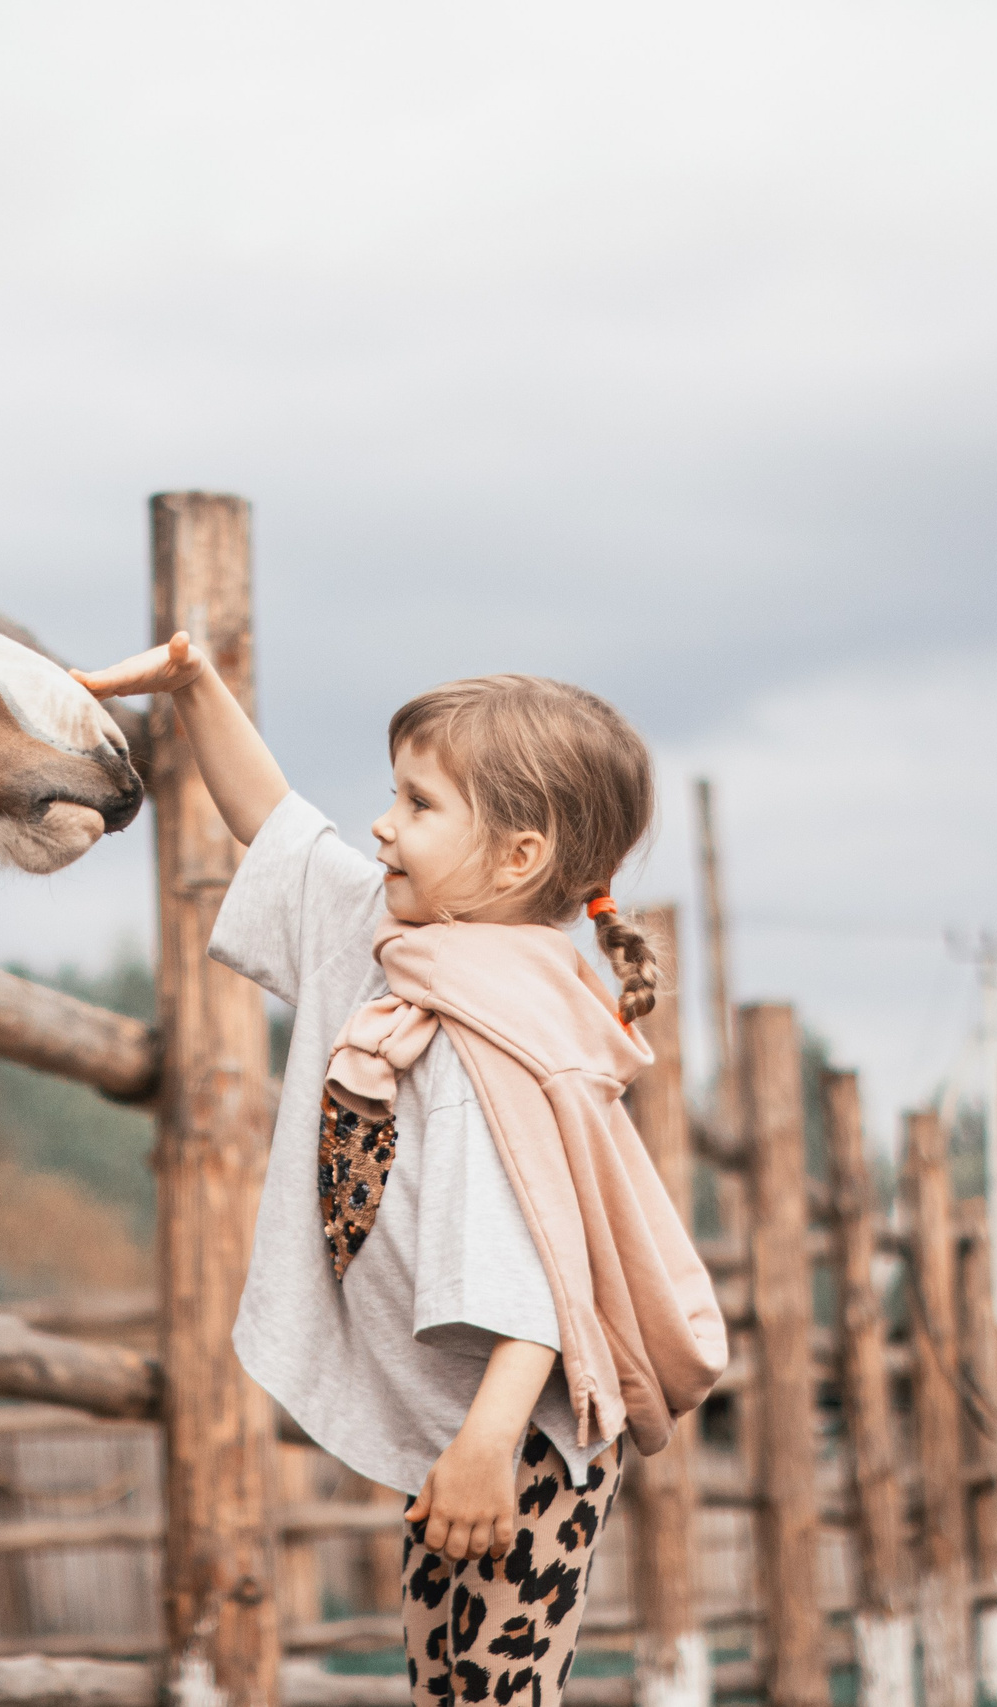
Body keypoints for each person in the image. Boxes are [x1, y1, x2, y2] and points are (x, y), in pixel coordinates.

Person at [72, 640, 729, 1707]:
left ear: (516, 860)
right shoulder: (406, 947)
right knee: (453, 1692)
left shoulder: (490, 1028)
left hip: (518, 1442)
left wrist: (484, 1446)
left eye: (418, 806)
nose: (383, 824)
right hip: (473, 1436)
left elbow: (541, 1267)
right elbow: (279, 831)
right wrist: (195, 686)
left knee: (488, 1698)